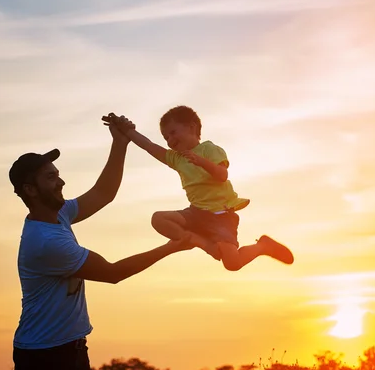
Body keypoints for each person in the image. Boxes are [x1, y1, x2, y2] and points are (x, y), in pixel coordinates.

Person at [8, 114, 193, 370]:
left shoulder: (58, 214)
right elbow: (112, 272)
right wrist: (169, 248)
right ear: (30, 190)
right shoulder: (46, 242)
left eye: (58, 175)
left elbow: (103, 193)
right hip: (44, 358)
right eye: (50, 178)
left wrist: (120, 143)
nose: (61, 182)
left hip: (70, 349)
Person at [103, 106, 294, 272]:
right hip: (196, 214)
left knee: (232, 264)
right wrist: (126, 130)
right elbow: (148, 146)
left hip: (221, 216)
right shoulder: (176, 159)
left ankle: (262, 246)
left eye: (173, 132)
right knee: (158, 219)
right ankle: (202, 243)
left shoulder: (210, 149)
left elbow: (222, 175)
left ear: (192, 128)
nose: (169, 140)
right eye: (166, 137)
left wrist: (202, 162)